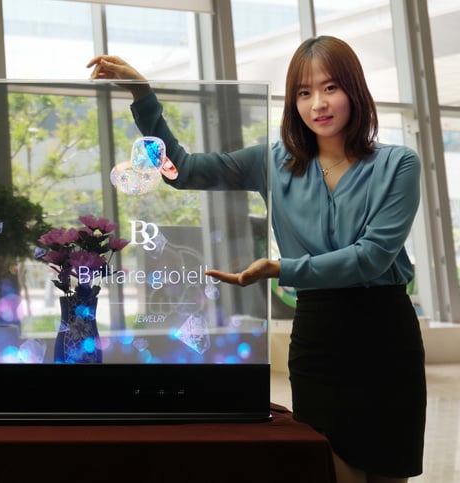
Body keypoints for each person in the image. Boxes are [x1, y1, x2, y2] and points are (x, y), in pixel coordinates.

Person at [88, 36, 426, 483]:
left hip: (385, 332)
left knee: (388, 470)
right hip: (320, 333)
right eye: (304, 92)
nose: (318, 104)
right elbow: (182, 171)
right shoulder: (272, 161)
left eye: (330, 87)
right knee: (328, 462)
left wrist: (280, 269)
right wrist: (142, 95)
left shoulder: (399, 164)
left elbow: (373, 257)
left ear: (354, 90)